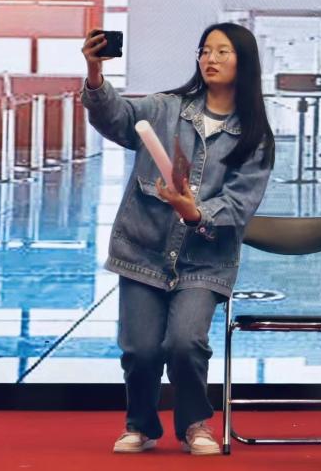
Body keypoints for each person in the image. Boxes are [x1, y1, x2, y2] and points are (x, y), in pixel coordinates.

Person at [80, 23, 275, 455]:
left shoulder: (255, 136)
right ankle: (141, 425)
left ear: (244, 62)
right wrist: (95, 73)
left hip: (205, 261)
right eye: (205, 50)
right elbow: (116, 117)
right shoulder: (165, 107)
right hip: (143, 251)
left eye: (222, 51)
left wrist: (195, 212)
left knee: (185, 344)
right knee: (141, 350)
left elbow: (239, 205)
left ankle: (194, 424)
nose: (210, 59)